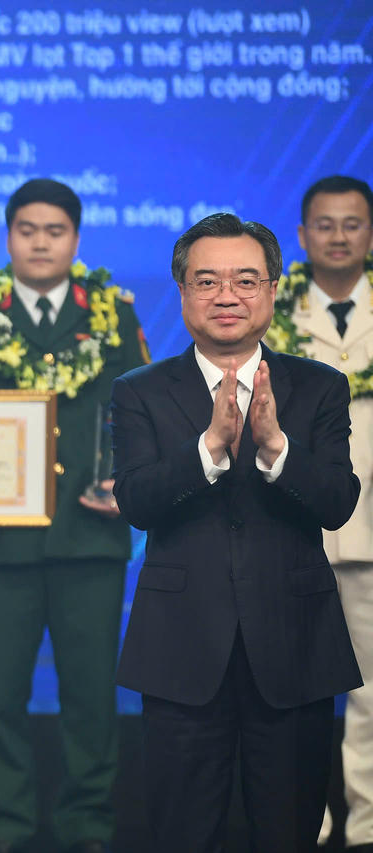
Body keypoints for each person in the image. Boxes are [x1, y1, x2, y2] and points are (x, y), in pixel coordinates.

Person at [112, 212, 361, 851]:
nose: (227, 295)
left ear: (273, 290)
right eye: (208, 281)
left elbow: (338, 502)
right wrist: (209, 447)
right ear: (183, 291)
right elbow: (137, 501)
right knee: (182, 834)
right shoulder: (140, 390)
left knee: (289, 833)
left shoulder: (320, 386)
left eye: (246, 280)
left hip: (294, 648)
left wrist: (276, 447)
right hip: (181, 652)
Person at [0, 178, 148, 853]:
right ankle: (6, 828)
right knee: (1, 696)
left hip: (92, 533)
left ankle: (88, 825)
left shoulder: (113, 314)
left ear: (75, 239)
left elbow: (137, 416)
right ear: (8, 237)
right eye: (27, 230)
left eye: (55, 231)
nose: (40, 242)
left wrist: (129, 481)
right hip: (1, 541)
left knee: (91, 696)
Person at [270, 176, 373, 851]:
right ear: (303, 234)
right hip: (290, 521)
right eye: (324, 224)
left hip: (372, 526)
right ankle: (303, 819)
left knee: (372, 688)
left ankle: (367, 823)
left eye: (352, 223)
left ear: (370, 234)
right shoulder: (267, 308)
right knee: (289, 683)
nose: (338, 236)